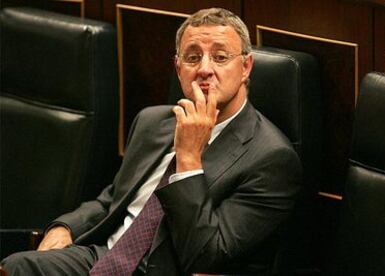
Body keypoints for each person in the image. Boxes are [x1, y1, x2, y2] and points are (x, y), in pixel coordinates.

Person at [1, 7, 301, 276]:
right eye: (193, 57)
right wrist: (67, 226)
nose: (204, 69)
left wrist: (188, 160)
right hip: (103, 256)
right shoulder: (153, 121)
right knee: (19, 266)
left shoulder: (271, 158)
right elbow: (112, 199)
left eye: (220, 57)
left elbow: (206, 255)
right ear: (178, 67)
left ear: (246, 67)